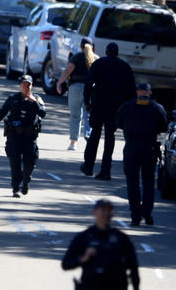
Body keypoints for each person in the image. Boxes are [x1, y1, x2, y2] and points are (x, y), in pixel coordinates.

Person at [0, 75, 45, 198]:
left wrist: (34, 102)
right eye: (24, 85)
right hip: (14, 136)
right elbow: (0, 114)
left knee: (30, 162)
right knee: (15, 163)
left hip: (29, 137)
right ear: (20, 86)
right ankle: (16, 188)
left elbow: (43, 112)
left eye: (28, 85)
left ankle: (25, 181)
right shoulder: (13, 99)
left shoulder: (37, 99)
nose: (26, 87)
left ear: (32, 86)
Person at [116, 82, 168, 226]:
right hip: (149, 147)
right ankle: (147, 211)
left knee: (132, 183)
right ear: (149, 93)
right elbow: (164, 127)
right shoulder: (157, 108)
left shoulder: (127, 106)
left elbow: (118, 123)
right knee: (148, 182)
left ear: (138, 92)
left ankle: (135, 215)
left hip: (131, 146)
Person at [82, 42, 136, 180]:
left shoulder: (99, 64)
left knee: (95, 134)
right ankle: (106, 170)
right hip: (116, 106)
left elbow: (88, 83)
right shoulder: (125, 67)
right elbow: (131, 91)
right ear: (117, 53)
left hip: (99, 103)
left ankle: (88, 166)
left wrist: (87, 101)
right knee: (109, 137)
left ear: (106, 51)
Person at [57, 37, 95, 151]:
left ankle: (73, 143)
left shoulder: (76, 57)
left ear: (80, 46)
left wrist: (59, 83)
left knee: (75, 116)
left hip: (75, 88)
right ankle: (88, 137)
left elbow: (68, 69)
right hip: (90, 90)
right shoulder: (96, 59)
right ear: (92, 47)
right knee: (88, 115)